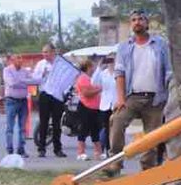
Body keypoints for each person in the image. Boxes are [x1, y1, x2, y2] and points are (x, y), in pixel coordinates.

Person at [108, 10, 172, 175]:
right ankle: (115, 162)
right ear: (131, 24)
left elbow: (169, 72)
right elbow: (119, 73)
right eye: (134, 20)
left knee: (152, 136)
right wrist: (121, 99)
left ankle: (147, 169)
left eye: (141, 19)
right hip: (132, 97)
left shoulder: (160, 44)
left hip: (155, 98)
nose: (137, 22)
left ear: (147, 23)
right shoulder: (124, 47)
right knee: (116, 121)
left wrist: (169, 96)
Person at [32, 43, 69, 158]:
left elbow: (67, 78)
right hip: (45, 94)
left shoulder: (61, 64)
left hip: (57, 96)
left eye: (47, 52)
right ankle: (41, 148)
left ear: (53, 52)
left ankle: (57, 149)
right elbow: (34, 79)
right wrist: (42, 75)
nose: (45, 54)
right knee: (44, 122)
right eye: (43, 52)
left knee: (57, 123)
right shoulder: (40, 64)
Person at [72, 58, 108, 160]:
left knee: (95, 130)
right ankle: (80, 152)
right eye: (92, 66)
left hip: (95, 108)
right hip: (85, 107)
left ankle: (98, 152)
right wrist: (99, 89)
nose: (94, 68)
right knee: (83, 130)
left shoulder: (92, 78)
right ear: (88, 67)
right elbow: (86, 93)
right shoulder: (83, 78)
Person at [1, 54, 33, 158]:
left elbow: (33, 82)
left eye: (21, 58)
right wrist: (25, 82)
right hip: (11, 101)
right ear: (12, 60)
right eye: (18, 58)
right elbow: (11, 83)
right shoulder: (7, 70)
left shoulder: (25, 71)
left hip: (23, 101)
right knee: (10, 127)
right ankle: (9, 150)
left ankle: (21, 149)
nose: (20, 60)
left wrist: (22, 82)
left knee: (22, 127)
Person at [92, 55, 118, 157]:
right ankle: (107, 150)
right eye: (109, 60)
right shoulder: (103, 74)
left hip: (116, 104)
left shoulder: (119, 73)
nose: (111, 62)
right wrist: (99, 66)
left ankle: (115, 149)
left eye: (113, 59)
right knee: (107, 128)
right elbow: (94, 82)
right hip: (105, 105)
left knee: (116, 128)